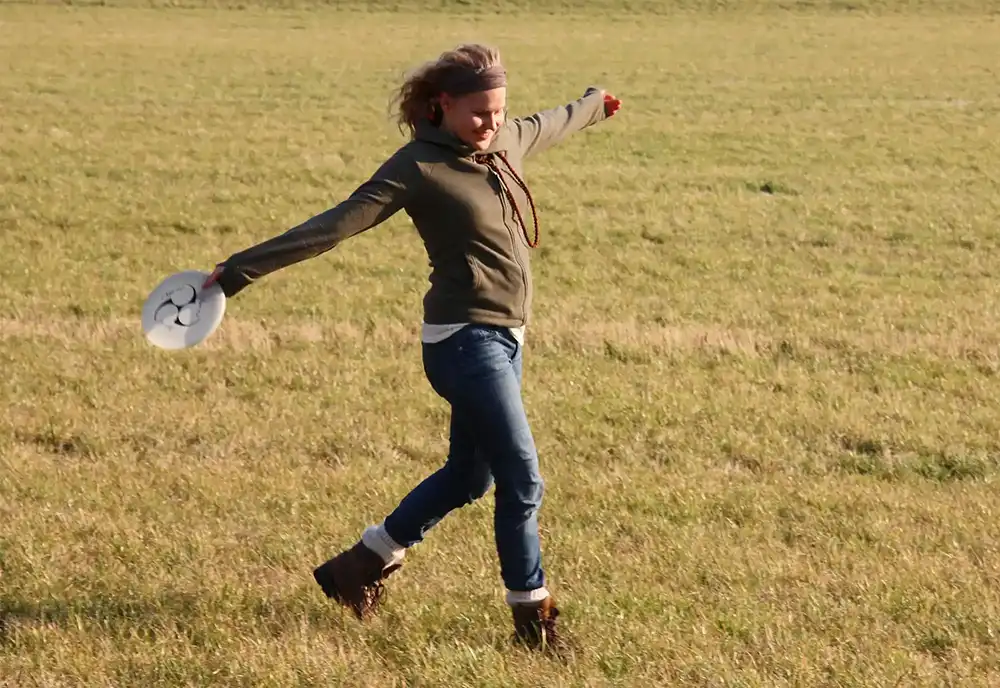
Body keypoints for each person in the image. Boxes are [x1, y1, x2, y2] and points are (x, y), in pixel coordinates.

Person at [203, 43, 622, 653]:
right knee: (522, 477)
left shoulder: (503, 143)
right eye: (478, 113)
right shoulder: (417, 168)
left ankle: (360, 567)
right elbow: (334, 225)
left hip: (506, 339)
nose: (492, 123)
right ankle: (533, 622)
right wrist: (238, 270)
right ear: (441, 106)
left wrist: (596, 104)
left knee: (467, 477)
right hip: (462, 342)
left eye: (499, 111)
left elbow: (551, 122)